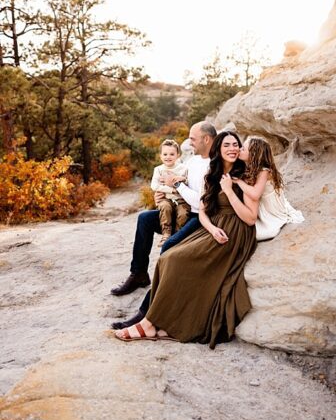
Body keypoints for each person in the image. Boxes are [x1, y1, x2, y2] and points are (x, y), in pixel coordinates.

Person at [116, 129, 264, 347]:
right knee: (167, 256)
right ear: (218, 150)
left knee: (175, 258)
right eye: (227, 145)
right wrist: (212, 229)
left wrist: (230, 191)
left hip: (235, 230)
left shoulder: (245, 175)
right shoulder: (211, 173)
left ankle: (148, 322)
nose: (232, 149)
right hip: (212, 226)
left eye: (236, 145)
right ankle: (151, 314)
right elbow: (204, 210)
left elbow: (250, 219)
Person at [111, 118, 217, 313]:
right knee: (145, 219)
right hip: (179, 208)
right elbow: (177, 181)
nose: (189, 142)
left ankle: (153, 304)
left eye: (193, 138)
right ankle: (139, 274)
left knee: (168, 245)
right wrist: (164, 191)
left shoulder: (213, 165)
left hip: (197, 218)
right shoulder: (193, 160)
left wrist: (176, 186)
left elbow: (200, 202)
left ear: (207, 139)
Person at [150, 140, 191, 236]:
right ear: (160, 156)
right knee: (165, 207)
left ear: (178, 155)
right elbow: (154, 186)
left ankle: (177, 234)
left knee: (183, 214)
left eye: (172, 154)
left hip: (181, 200)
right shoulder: (158, 169)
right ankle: (166, 233)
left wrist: (183, 179)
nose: (168, 157)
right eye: (165, 154)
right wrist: (172, 190)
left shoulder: (183, 169)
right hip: (165, 199)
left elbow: (189, 182)